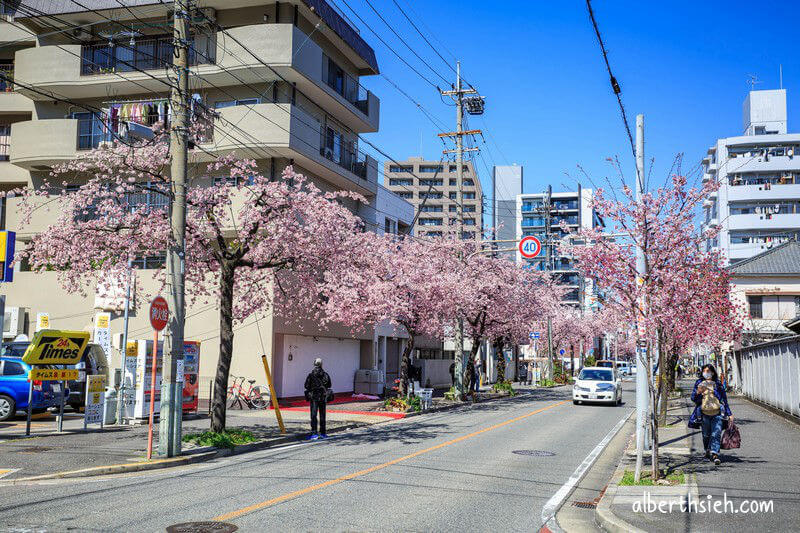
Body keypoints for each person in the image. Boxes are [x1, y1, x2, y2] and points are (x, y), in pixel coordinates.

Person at [688, 364, 732, 465]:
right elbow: (694, 399)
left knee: (716, 434)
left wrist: (729, 413)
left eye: (708, 371)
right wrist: (698, 393)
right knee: (706, 435)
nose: (706, 373)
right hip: (704, 414)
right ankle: (707, 450)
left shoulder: (717, 384)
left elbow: (724, 399)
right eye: (704, 371)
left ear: (712, 372)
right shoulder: (699, 383)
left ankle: (715, 453)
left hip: (717, 413)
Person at [304, 357, 332, 440]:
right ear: (321, 364)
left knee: (313, 415)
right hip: (323, 396)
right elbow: (329, 385)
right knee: (322, 415)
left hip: (314, 397)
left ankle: (314, 433)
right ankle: (323, 433)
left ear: (314, 364)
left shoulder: (311, 375)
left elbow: (306, 386)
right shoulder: (325, 374)